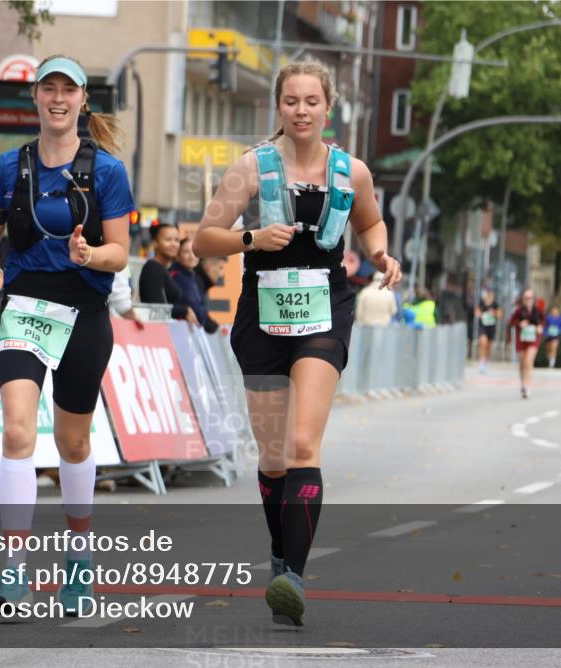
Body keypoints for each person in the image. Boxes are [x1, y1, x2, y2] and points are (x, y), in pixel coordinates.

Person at [193, 61, 401, 627]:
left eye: (312, 101)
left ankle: (293, 579)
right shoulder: (250, 169)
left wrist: (382, 254)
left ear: (327, 109)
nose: (302, 110)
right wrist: (252, 237)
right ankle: (281, 553)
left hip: (323, 314)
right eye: (292, 101)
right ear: (279, 107)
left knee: (304, 444)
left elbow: (371, 224)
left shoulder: (350, 171)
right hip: (261, 316)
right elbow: (202, 239)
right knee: (275, 455)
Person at [0, 55, 134, 616]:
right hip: (22, 306)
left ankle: (78, 561)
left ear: (83, 100)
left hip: (83, 310)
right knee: (17, 431)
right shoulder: (5, 167)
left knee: (73, 443)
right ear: (35, 98)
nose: (58, 98)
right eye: (49, 88)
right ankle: (14, 572)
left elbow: (121, 253)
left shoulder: (107, 171)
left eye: (69, 89)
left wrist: (91, 253)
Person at [138, 222, 200, 326]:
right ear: (155, 243)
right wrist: (184, 310)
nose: (174, 244)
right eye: (168, 240)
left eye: (176, 240)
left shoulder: (162, 269)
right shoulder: (152, 269)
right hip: (156, 333)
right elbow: (156, 309)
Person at [171, 238, 219, 333]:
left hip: (193, 332)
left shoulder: (197, 280)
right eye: (186, 252)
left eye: (194, 252)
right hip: (178, 332)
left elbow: (202, 311)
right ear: (178, 255)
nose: (192, 256)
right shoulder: (173, 276)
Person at [508, 289, 543, 399]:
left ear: (534, 299)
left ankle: (528, 386)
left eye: (530, 298)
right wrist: (519, 323)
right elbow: (511, 322)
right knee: (522, 363)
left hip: (533, 340)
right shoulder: (519, 311)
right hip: (522, 339)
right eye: (526, 298)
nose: (528, 300)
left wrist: (539, 328)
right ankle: (523, 384)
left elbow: (543, 322)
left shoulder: (538, 311)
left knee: (528, 362)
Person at [474, 288, 501, 373]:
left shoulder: (495, 304)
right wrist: (481, 314)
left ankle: (485, 360)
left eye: (490, 293)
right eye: (488, 293)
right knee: (483, 342)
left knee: (488, 345)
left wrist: (494, 313)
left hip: (491, 327)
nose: (489, 295)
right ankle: (482, 361)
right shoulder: (482, 302)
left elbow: (500, 314)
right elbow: (477, 311)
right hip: (483, 326)